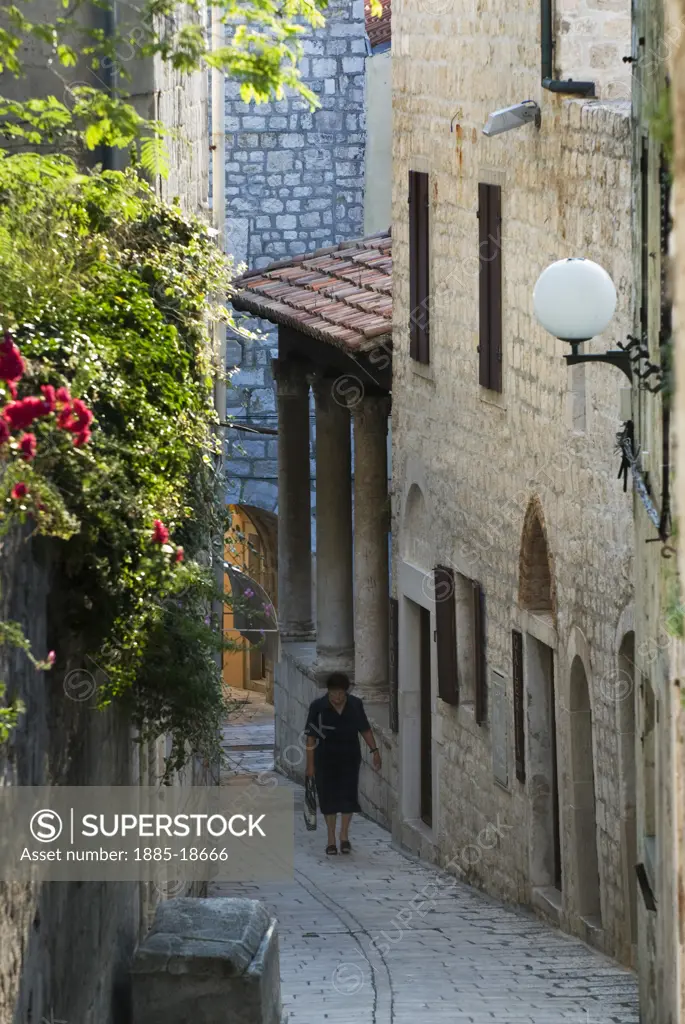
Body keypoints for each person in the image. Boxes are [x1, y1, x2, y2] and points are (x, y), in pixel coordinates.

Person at [304, 672, 381, 855]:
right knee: (328, 798)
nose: (337, 698)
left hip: (349, 757)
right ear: (328, 692)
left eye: (340, 694)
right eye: (333, 694)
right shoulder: (318, 707)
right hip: (326, 759)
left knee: (348, 797)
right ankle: (331, 839)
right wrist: (310, 765)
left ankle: (344, 836)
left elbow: (365, 729)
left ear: (346, 692)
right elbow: (311, 739)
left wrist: (375, 751)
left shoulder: (355, 705)